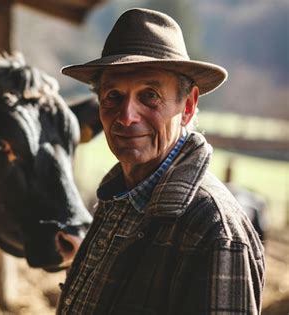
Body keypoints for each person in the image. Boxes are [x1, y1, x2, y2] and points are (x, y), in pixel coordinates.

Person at [57, 8, 265, 315]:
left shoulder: (214, 233)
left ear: (189, 106)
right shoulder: (119, 200)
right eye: (113, 96)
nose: (127, 116)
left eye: (150, 95)